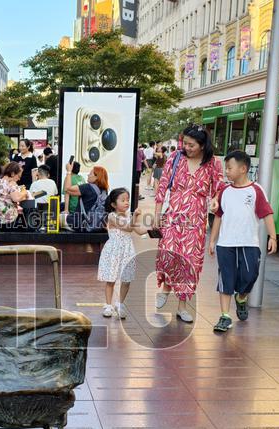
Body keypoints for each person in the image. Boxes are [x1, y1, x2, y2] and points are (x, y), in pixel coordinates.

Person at [155, 126, 224, 323]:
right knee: (168, 253)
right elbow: (162, 185)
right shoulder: (176, 158)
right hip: (174, 215)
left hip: (196, 219)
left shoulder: (213, 163)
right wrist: (157, 213)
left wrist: (215, 199)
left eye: (191, 145)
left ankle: (183, 306)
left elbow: (218, 188)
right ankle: (165, 288)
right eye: (184, 143)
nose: (186, 147)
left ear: (202, 145)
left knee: (189, 262)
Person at [208, 151, 277, 332]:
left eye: (229, 168)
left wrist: (273, 237)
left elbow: (267, 213)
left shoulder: (256, 190)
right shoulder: (224, 191)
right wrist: (212, 240)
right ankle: (225, 316)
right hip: (226, 244)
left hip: (249, 242)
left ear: (243, 169)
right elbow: (218, 216)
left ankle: (241, 298)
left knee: (250, 275)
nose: (226, 172)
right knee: (226, 280)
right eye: (226, 168)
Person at [99, 188, 149, 319]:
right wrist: (135, 216)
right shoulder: (112, 216)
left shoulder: (129, 216)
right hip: (114, 250)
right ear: (113, 204)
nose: (126, 202)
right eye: (123, 200)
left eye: (128, 200)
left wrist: (152, 229)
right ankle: (108, 305)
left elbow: (138, 231)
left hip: (127, 250)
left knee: (126, 280)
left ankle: (120, 304)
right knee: (111, 279)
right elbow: (127, 227)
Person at [64, 164, 109, 232]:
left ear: (96, 177)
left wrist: (69, 171)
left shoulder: (88, 187)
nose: (88, 175)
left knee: (55, 219)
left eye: (90, 173)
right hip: (96, 225)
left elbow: (67, 189)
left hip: (79, 223)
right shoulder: (104, 191)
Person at [0, 161, 26, 228]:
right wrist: (24, 191)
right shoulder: (11, 183)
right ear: (13, 173)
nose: (19, 179)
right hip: (7, 219)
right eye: (19, 176)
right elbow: (16, 198)